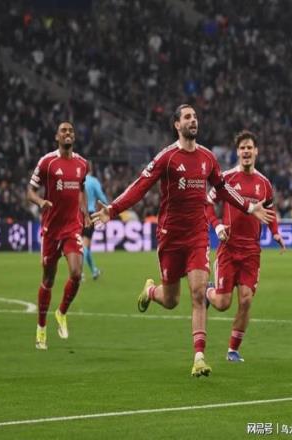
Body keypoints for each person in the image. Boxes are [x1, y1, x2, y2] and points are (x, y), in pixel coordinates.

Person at [91, 104, 274, 377]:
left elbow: (223, 188)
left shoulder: (208, 158)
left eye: (195, 117)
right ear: (177, 125)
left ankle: (199, 357)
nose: (193, 120)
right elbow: (141, 185)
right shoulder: (167, 158)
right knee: (171, 299)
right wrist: (113, 209)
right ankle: (151, 291)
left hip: (197, 236)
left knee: (198, 294)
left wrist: (249, 207)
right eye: (187, 117)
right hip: (170, 237)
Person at [205, 130, 286, 362]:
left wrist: (275, 232)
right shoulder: (226, 179)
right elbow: (207, 203)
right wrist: (217, 226)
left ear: (256, 151)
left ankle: (233, 350)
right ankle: (208, 292)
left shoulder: (264, 184)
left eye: (250, 147)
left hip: (251, 251)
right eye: (242, 148)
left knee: (246, 300)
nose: (246, 151)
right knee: (222, 303)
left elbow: (269, 210)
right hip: (229, 248)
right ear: (237, 152)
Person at [27, 121, 89, 350]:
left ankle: (61, 312)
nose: (67, 133)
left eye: (71, 130)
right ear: (57, 137)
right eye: (63, 131)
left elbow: (81, 188)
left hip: (72, 228)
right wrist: (40, 201)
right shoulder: (47, 162)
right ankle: (41, 328)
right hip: (51, 231)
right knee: (48, 280)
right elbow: (30, 191)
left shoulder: (82, 164)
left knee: (76, 273)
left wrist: (85, 211)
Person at [82, 161, 108, 280]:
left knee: (85, 244)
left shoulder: (78, 181)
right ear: (91, 169)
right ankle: (80, 273)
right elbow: (101, 197)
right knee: (85, 243)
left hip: (78, 213)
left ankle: (94, 271)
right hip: (90, 213)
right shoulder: (93, 181)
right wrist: (108, 206)